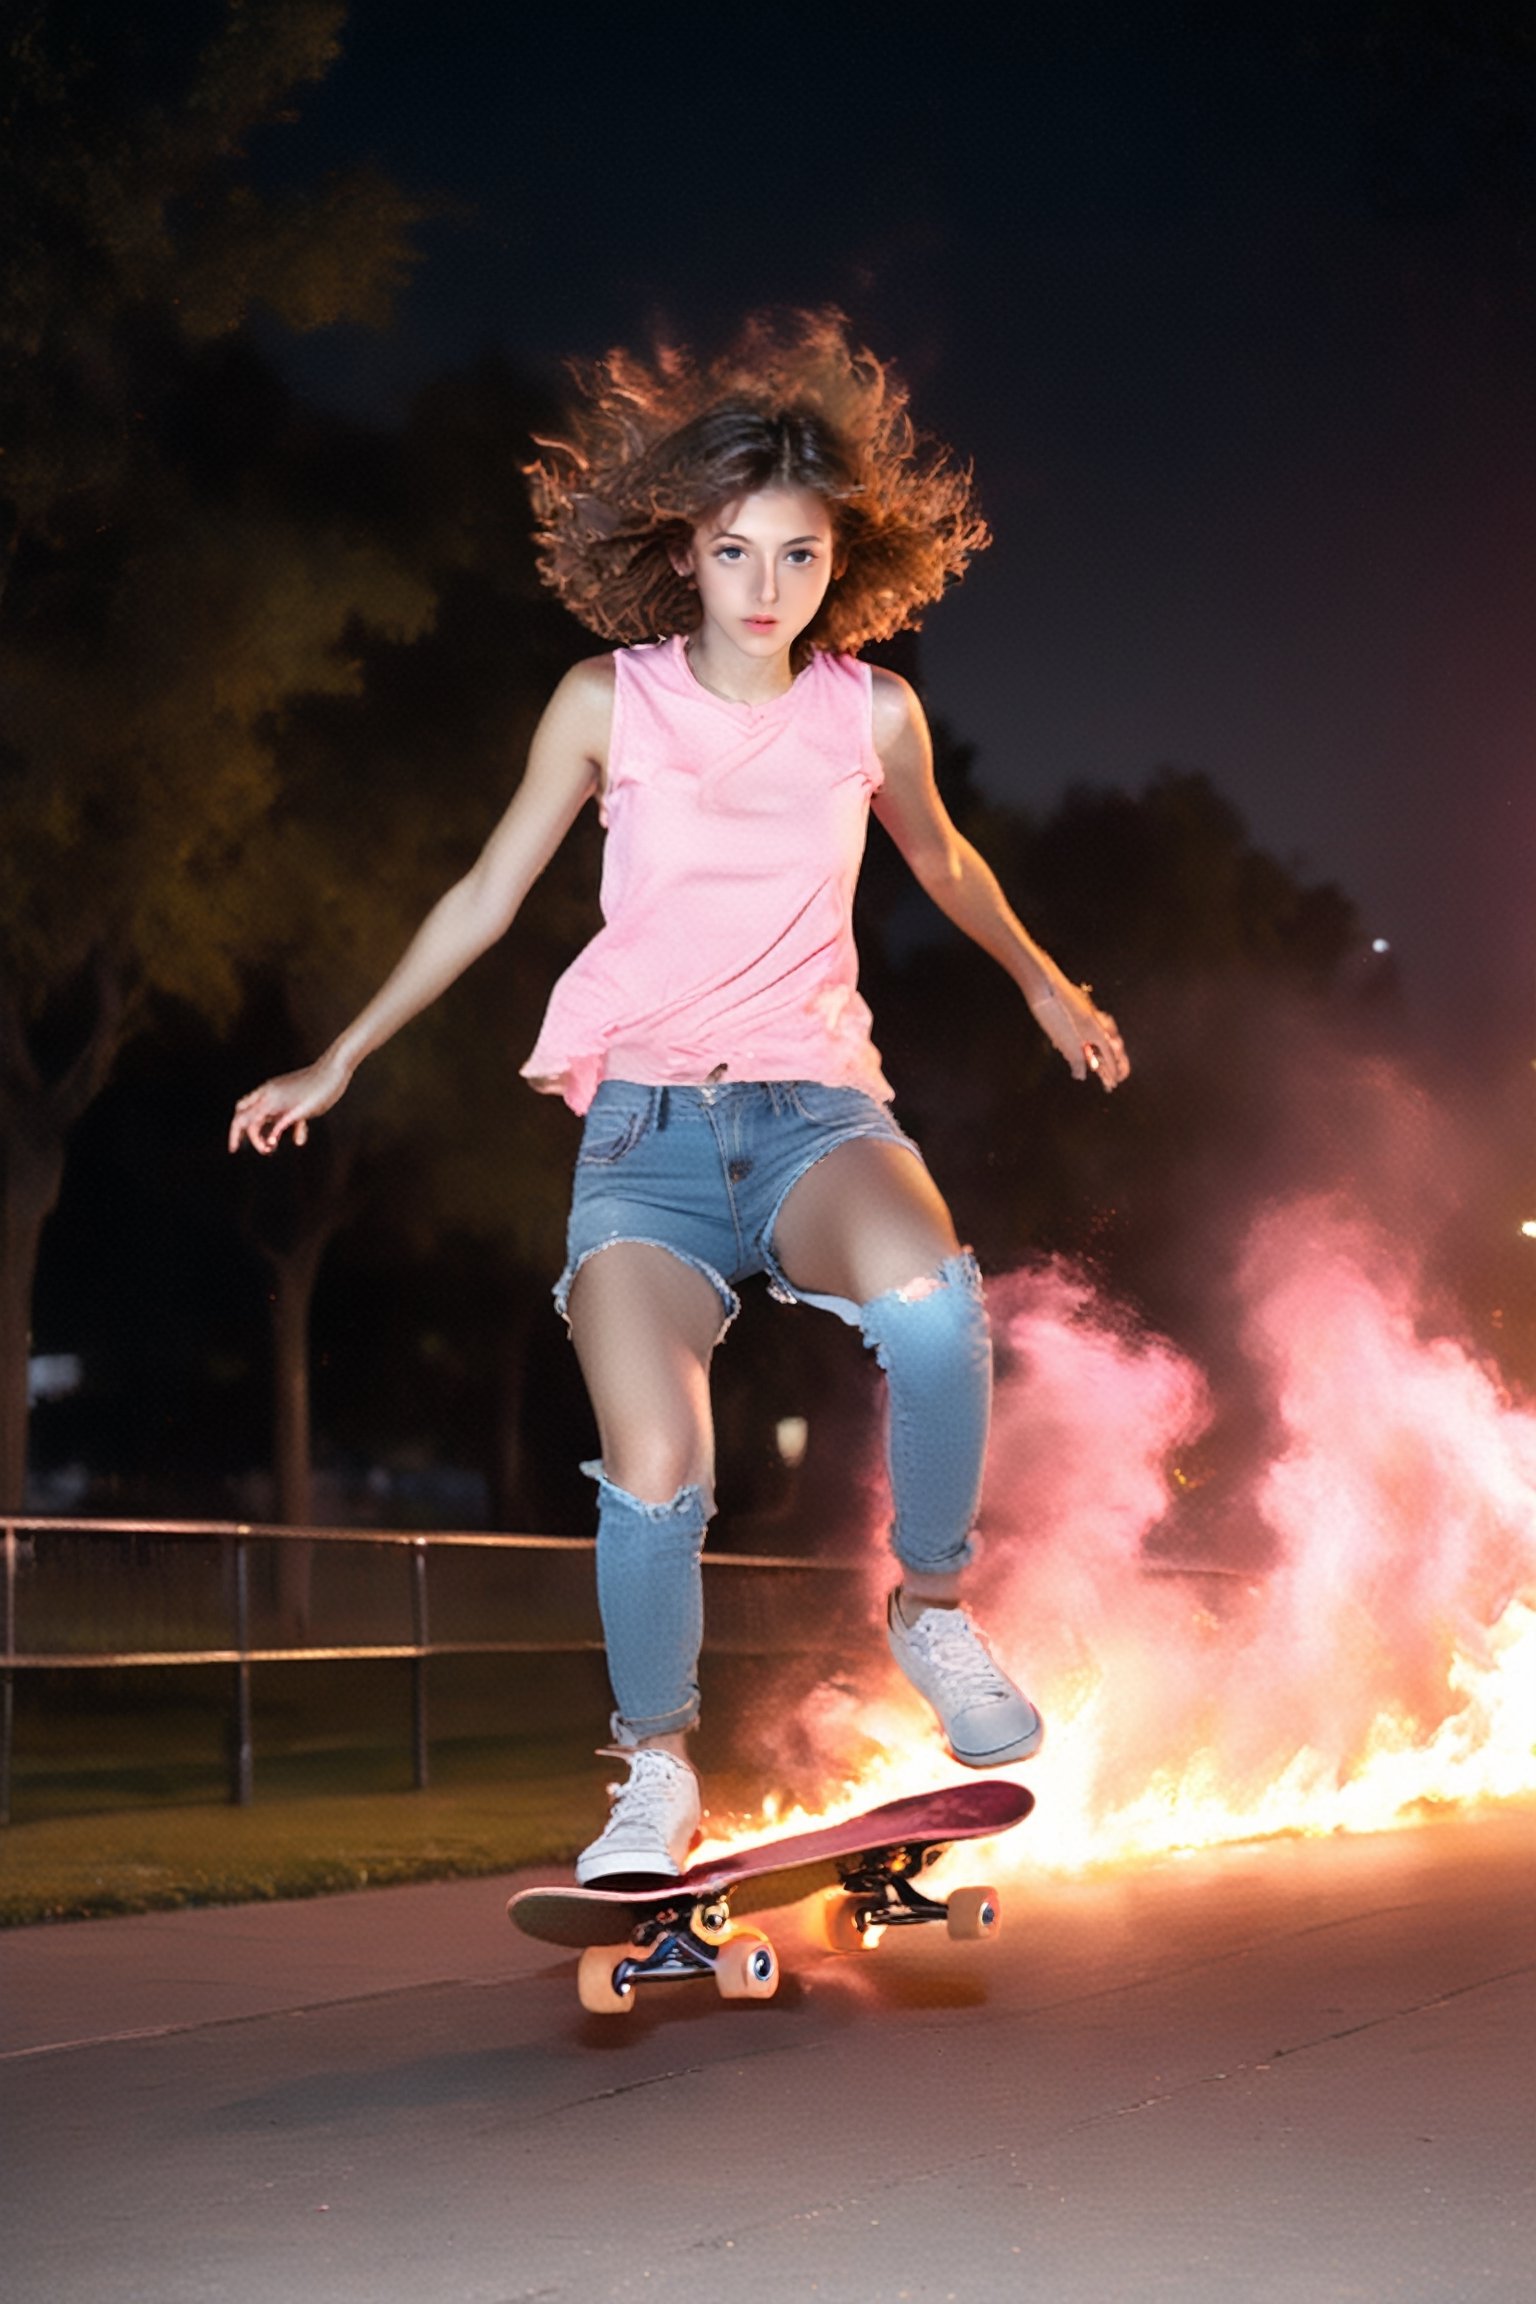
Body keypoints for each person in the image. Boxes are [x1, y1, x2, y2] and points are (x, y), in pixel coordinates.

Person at [229, 312, 1128, 1886]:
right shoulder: (606, 701)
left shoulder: (871, 715)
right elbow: (487, 891)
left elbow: (945, 859)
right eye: (735, 554)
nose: (768, 589)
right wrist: (342, 1054)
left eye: (799, 555)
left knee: (933, 1311)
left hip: (817, 1118)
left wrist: (1047, 979)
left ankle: (928, 1607)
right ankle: (653, 1769)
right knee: (660, 1478)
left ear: (839, 560)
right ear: (685, 554)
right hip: (643, 1143)